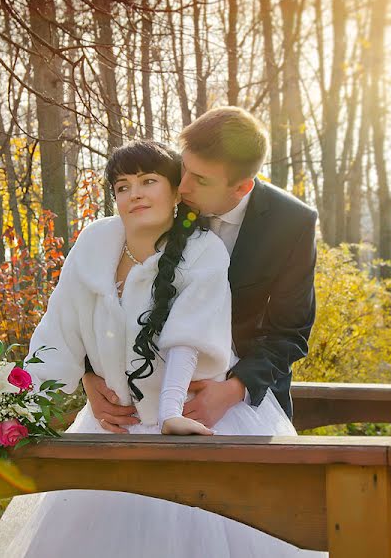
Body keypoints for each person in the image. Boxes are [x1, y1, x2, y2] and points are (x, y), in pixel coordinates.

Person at [0, 138, 324, 557]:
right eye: (122, 186)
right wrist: (16, 408)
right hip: (113, 425)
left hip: (196, 416)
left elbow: (188, 340)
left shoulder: (203, 250)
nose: (135, 193)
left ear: (175, 188)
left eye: (148, 181)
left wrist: (169, 414)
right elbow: (58, 332)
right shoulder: (93, 245)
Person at [84, 106, 318, 432]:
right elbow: (102, 290)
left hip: (239, 402)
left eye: (201, 180)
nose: (183, 186)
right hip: (138, 399)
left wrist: (233, 391)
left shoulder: (291, 224)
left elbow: (289, 332)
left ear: (241, 188)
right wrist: (90, 374)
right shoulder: (162, 195)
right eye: (184, 167)